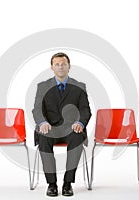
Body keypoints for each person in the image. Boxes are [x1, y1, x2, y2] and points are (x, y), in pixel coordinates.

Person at [32, 52, 91, 197]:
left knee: (77, 139)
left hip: (71, 128)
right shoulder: (43, 86)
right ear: (52, 68)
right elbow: (37, 109)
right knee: (43, 138)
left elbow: (85, 109)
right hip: (50, 128)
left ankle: (67, 183)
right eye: (57, 64)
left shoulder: (79, 86)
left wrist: (80, 123)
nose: (60, 67)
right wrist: (42, 122)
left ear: (69, 66)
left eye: (63, 64)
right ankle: (51, 184)